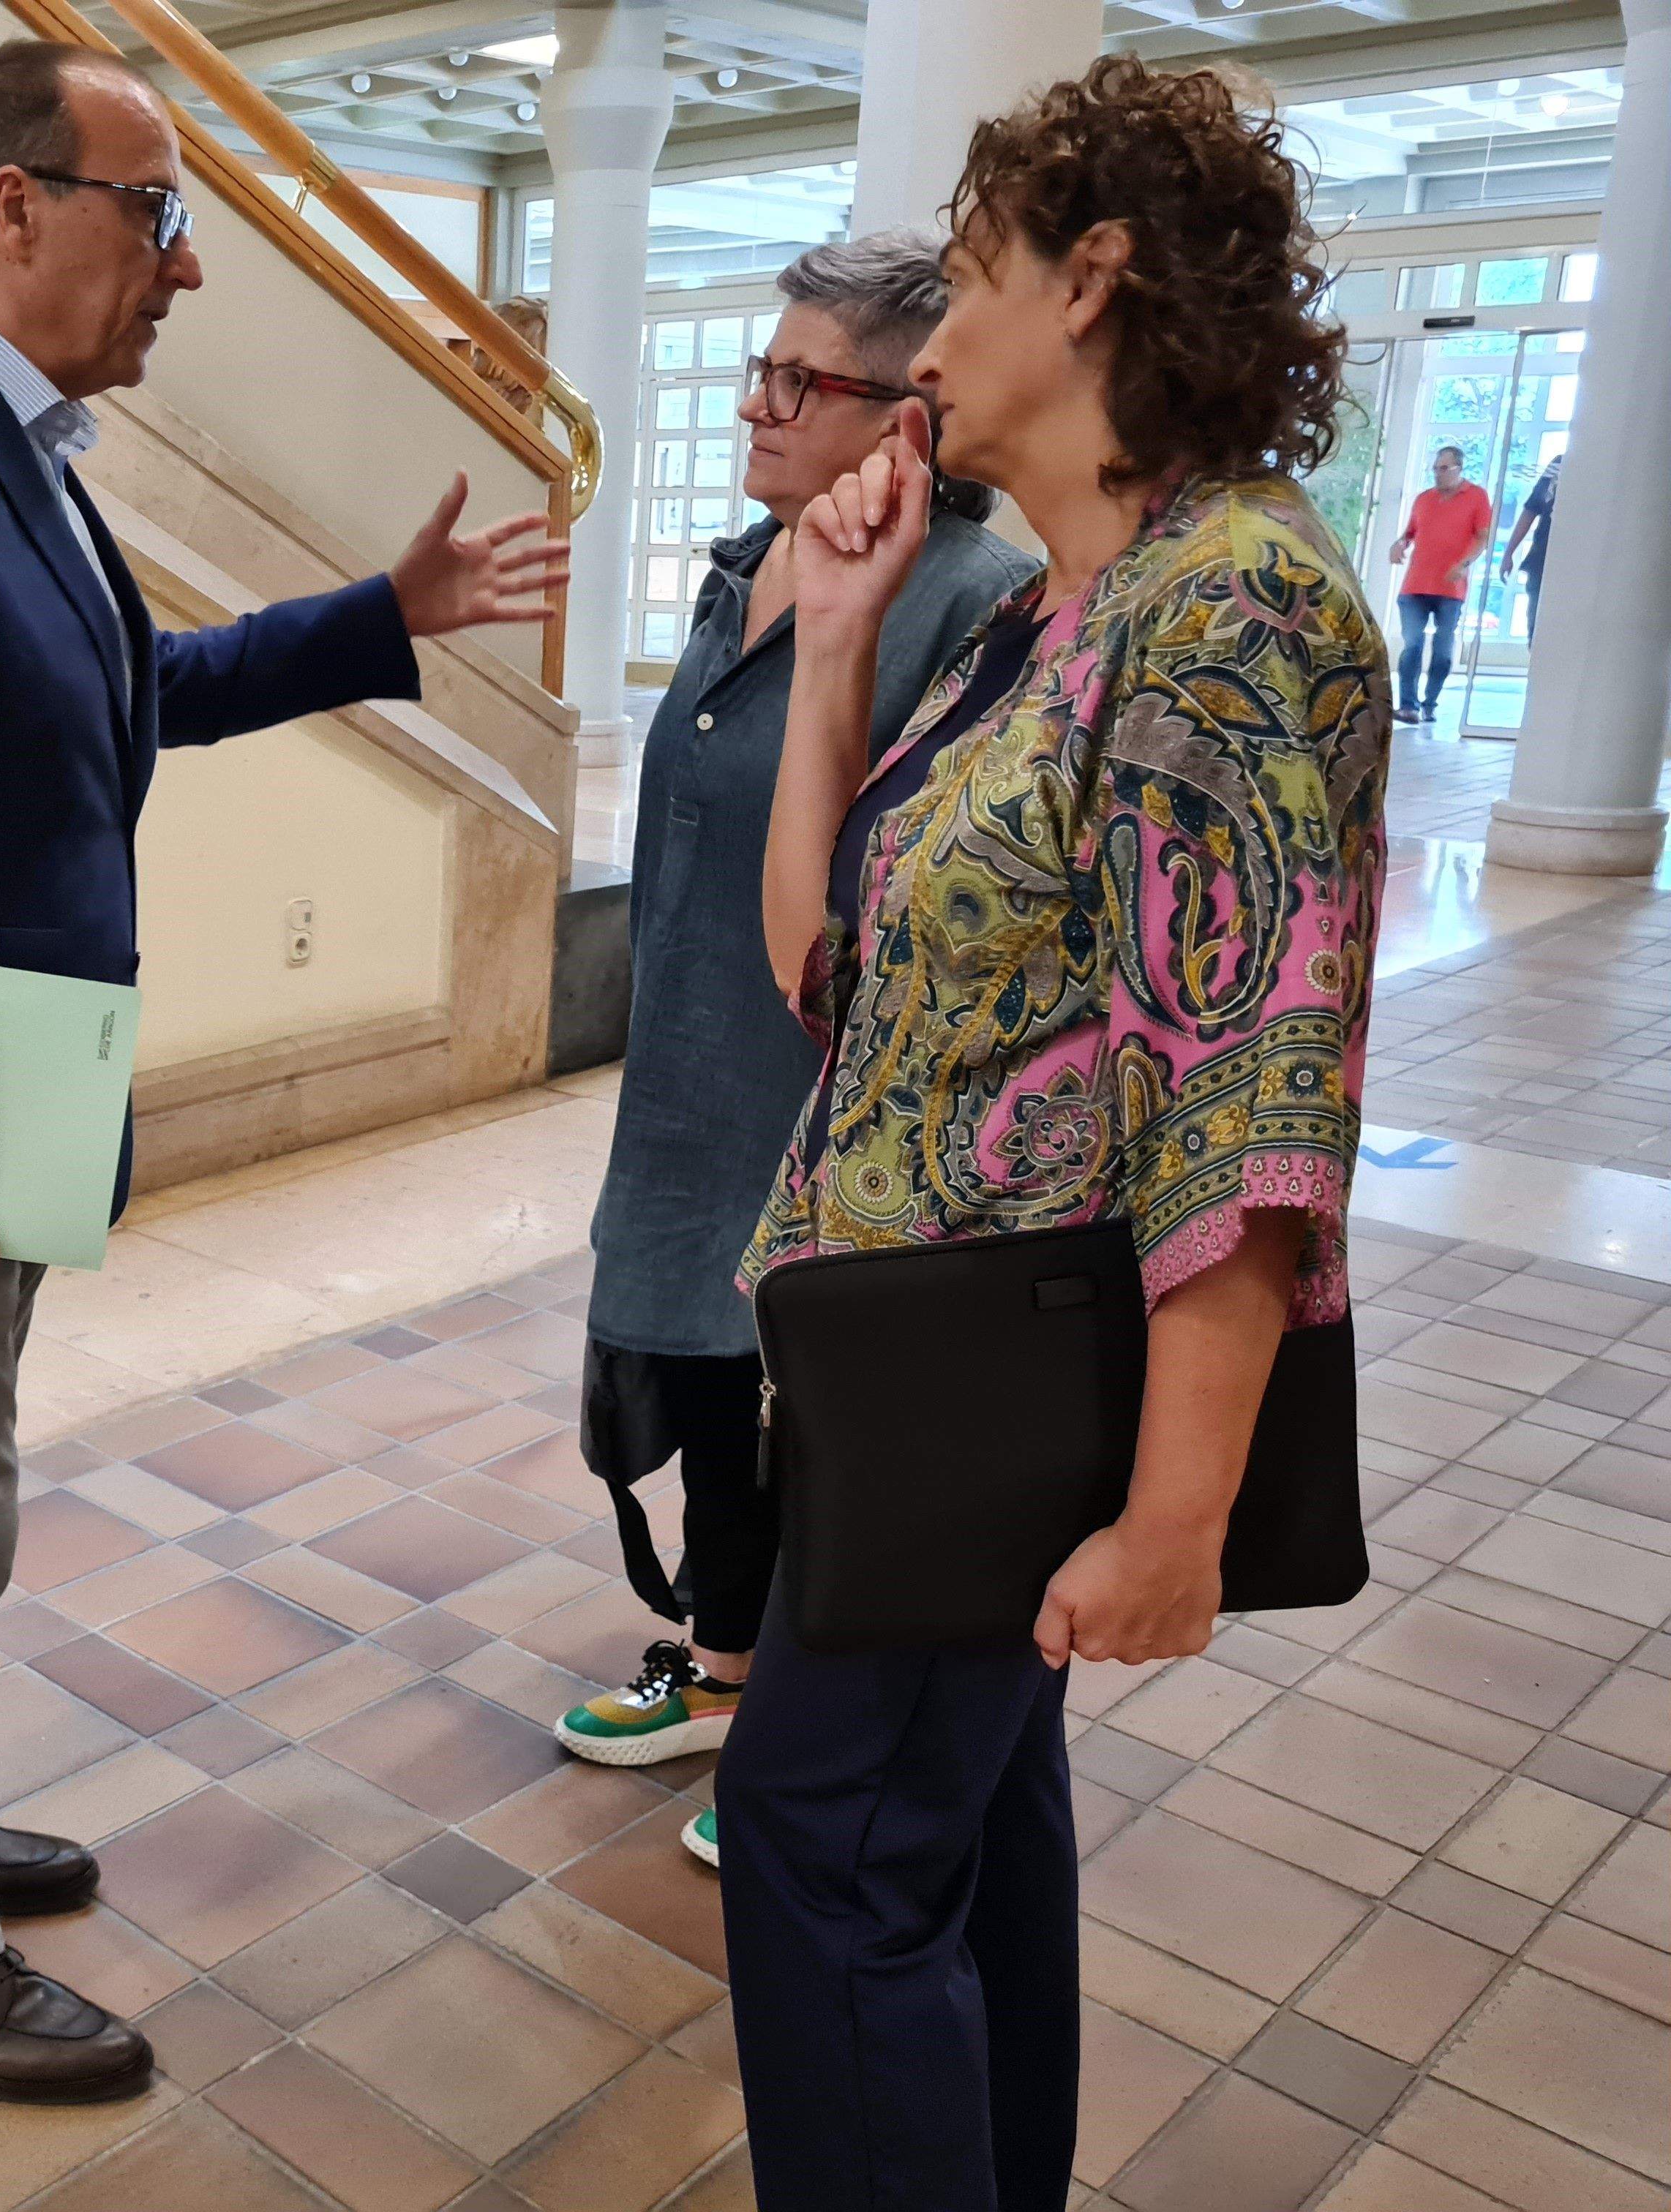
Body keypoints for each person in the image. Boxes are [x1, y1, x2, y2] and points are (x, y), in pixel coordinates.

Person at [0, 39, 563, 2104]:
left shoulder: (10, 452)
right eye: (157, 216)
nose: (183, 271)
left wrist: (388, 613)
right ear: (18, 207)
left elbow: (139, 692)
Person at [721, 56, 1388, 2210]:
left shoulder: (1235, 613)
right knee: (956, 1856)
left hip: (1006, 1391)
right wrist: (834, 650)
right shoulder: (1046, 614)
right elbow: (834, 968)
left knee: (826, 1872)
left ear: (1094, 281)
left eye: (978, 267)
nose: (933, 336)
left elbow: (1255, 1095)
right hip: (913, 1377)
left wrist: (1181, 1515)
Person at [555, 232, 1037, 1884]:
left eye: (796, 382)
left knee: (798, 1400)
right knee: (696, 1377)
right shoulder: (746, 557)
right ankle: (725, 1665)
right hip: (691, 1070)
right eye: (761, 371)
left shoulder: (965, 603)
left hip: (818, 1085)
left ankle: (794, 1728)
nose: (758, 406)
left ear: (906, 415)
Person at [1388, 443, 1492, 722]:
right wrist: (1399, 544)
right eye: (1435, 468)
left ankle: (1430, 702)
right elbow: (1409, 532)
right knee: (1412, 645)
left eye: (1444, 468)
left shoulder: (1477, 497)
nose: (1438, 474)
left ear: (1459, 469)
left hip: (1450, 589)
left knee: (1443, 651)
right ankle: (1408, 705)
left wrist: (1464, 564)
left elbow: (1483, 537)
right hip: (1415, 586)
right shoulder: (1424, 499)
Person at [1503, 450, 1562, 635]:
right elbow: (1531, 509)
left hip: (1571, 562)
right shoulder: (1560, 463)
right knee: (1535, 626)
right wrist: (1509, 552)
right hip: (1541, 558)